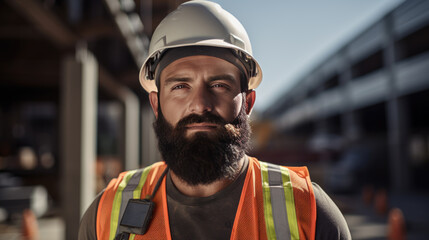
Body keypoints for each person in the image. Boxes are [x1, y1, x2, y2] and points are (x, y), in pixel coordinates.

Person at [79, 1, 351, 239]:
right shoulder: (105, 214)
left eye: (219, 85)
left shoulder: (310, 211)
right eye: (180, 86)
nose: (200, 103)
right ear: (156, 104)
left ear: (248, 103)